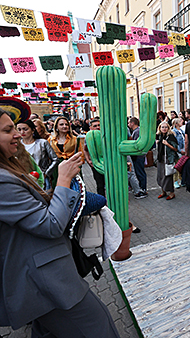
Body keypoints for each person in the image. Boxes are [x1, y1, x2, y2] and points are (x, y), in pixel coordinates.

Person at [0, 108, 120, 337]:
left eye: (16, 128)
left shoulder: (10, 168)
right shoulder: (3, 181)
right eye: (8, 130)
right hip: (46, 281)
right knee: (99, 328)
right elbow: (50, 225)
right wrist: (64, 180)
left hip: (40, 280)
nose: (17, 134)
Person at [17, 119, 58, 191]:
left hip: (42, 178)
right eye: (19, 129)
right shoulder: (17, 145)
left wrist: (46, 173)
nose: (22, 132)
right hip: (24, 179)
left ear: (33, 130)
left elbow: (55, 159)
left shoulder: (42, 143)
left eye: (25, 129)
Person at [155, 121, 178, 200]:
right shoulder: (159, 136)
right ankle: (163, 192)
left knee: (167, 176)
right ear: (159, 128)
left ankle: (171, 193)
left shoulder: (171, 137)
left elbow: (175, 149)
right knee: (160, 175)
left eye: (166, 127)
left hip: (167, 159)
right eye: (162, 127)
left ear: (168, 128)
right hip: (160, 159)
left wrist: (167, 144)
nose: (164, 129)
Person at [83, 118, 106, 196]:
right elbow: (85, 150)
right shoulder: (88, 137)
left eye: (99, 125)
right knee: (100, 185)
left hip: (108, 163)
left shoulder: (106, 136)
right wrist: (88, 160)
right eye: (95, 126)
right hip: (95, 164)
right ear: (91, 128)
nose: (97, 127)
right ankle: (102, 204)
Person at [127, 117, 148, 196]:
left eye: (129, 123)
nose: (128, 124)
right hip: (138, 156)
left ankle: (143, 188)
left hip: (138, 156)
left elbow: (135, 144)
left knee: (140, 172)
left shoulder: (137, 131)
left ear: (132, 123)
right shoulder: (137, 131)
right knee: (138, 172)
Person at [171, 117, 185, 189]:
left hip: (183, 150)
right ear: (176, 124)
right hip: (179, 151)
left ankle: (182, 180)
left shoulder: (181, 130)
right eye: (180, 121)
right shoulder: (174, 131)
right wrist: (180, 150)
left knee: (182, 166)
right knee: (177, 166)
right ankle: (175, 181)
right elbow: (175, 143)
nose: (181, 122)